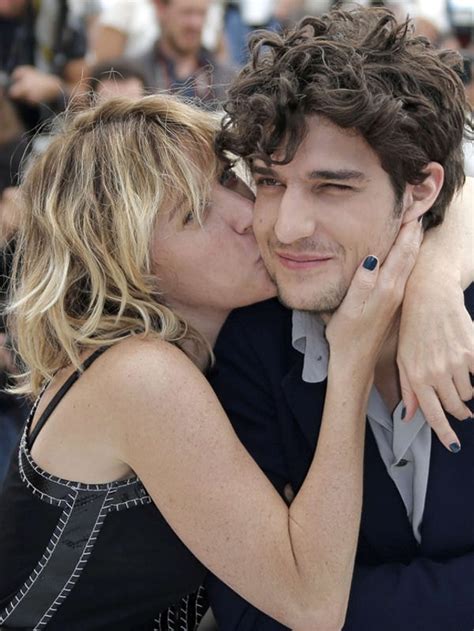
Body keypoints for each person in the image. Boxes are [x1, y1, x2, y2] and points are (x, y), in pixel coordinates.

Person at [0, 90, 470, 630]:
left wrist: (437, 279)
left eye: (229, 179)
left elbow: (453, 190)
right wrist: (352, 360)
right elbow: (313, 604)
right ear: (127, 260)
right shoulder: (141, 376)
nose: (248, 215)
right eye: (194, 213)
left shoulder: (197, 350)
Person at [205, 7, 474, 630]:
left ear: (422, 190)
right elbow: (252, 613)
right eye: (271, 183)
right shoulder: (250, 344)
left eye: (332, 187)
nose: (288, 228)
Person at [131, 0, 236, 108]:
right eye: (186, 13)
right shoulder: (133, 77)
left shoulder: (229, 78)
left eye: (202, 13)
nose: (196, 23)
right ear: (160, 9)